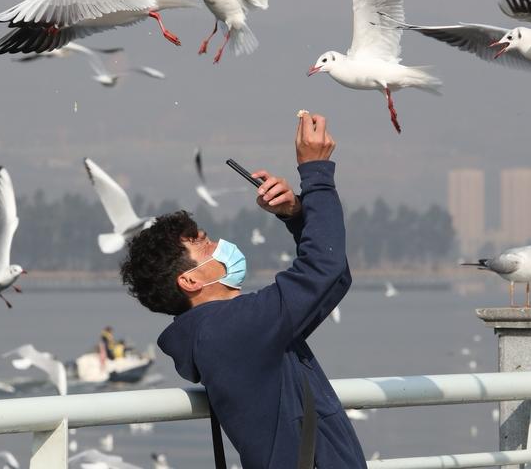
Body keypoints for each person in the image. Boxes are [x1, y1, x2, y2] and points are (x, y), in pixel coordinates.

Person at [120, 112, 365, 468]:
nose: (219, 245)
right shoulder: (228, 330)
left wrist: (295, 213)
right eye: (204, 244)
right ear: (190, 281)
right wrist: (316, 172)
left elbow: (333, 276)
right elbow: (323, 269)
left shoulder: (226, 331)